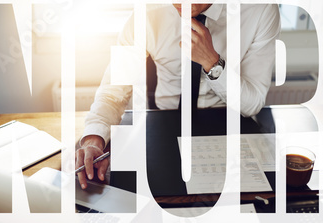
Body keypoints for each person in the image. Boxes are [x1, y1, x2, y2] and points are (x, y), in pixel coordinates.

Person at [76, 4, 279, 189]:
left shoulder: (260, 10)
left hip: (230, 126)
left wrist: (212, 62)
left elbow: (252, 104)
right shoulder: (146, 12)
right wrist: (94, 138)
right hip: (162, 127)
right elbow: (114, 91)